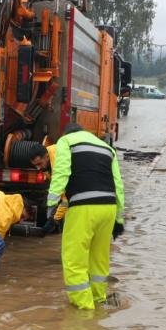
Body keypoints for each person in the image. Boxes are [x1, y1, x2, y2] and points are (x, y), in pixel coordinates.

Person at [47, 123, 125, 310]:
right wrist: (119, 220)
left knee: (74, 259)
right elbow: (118, 185)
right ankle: (99, 299)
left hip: (83, 208)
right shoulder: (107, 148)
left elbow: (62, 172)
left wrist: (51, 203)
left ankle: (84, 311)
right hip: (108, 208)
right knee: (99, 259)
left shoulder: (66, 141)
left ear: (68, 133)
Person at [27, 143, 67, 234]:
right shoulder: (47, 155)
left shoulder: (59, 164)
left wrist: (53, 219)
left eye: (39, 164)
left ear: (46, 157)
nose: (38, 168)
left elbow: (66, 198)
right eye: (35, 165)